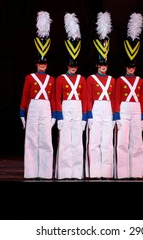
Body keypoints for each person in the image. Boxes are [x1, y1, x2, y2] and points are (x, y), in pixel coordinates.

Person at [20, 11, 56, 179]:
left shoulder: (51, 79)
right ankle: (31, 172)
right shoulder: (29, 77)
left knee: (46, 140)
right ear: (36, 63)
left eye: (44, 63)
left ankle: (45, 173)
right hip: (33, 106)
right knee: (32, 139)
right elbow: (25, 96)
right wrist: (22, 112)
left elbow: (55, 98)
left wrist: (56, 114)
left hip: (46, 107)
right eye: (40, 63)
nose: (42, 65)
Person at [54, 13, 87, 180]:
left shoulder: (82, 79)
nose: (73, 68)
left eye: (75, 65)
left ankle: (76, 173)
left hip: (78, 109)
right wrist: (58, 115)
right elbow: (56, 98)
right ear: (67, 65)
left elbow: (86, 98)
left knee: (77, 143)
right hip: (66, 109)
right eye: (71, 65)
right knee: (66, 142)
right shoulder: (61, 78)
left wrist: (85, 117)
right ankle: (65, 173)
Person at [114, 13, 143, 179]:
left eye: (133, 67)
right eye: (129, 67)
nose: (131, 69)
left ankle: (137, 172)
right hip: (124, 108)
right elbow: (117, 98)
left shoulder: (140, 80)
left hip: (137, 109)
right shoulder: (120, 80)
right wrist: (116, 115)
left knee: (137, 141)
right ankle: (123, 173)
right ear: (125, 67)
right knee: (123, 141)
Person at [85, 11, 115, 179]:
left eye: (105, 64)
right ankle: (94, 172)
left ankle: (107, 172)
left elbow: (115, 98)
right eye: (101, 64)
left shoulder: (112, 79)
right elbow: (88, 97)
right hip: (96, 109)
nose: (103, 67)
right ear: (97, 65)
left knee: (107, 142)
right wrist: (89, 115)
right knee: (95, 142)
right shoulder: (91, 79)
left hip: (108, 109)